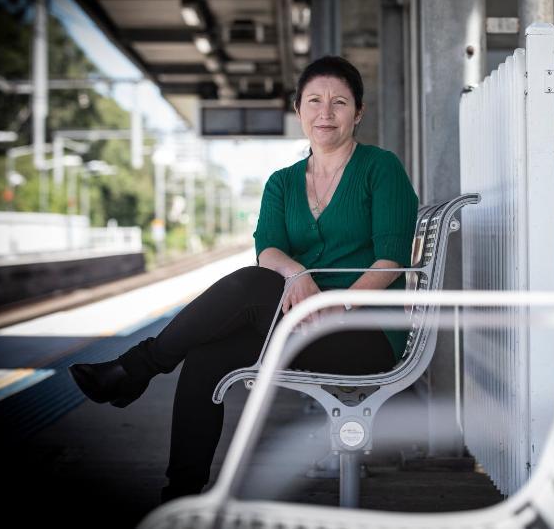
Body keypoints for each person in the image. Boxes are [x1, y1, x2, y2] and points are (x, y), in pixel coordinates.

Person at [68, 55, 418, 502]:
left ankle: (139, 367)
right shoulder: (282, 182)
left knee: (252, 284)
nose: (325, 113)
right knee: (206, 358)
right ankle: (181, 496)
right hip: (300, 325)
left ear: (358, 112)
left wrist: (338, 303)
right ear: (298, 111)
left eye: (339, 102)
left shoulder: (380, 168)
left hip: (361, 333)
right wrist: (295, 275)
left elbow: (391, 259)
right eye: (314, 101)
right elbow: (269, 248)